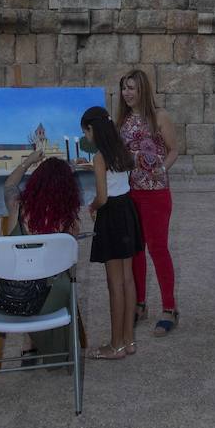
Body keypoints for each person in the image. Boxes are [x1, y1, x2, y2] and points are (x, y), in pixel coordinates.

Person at [1, 153, 84, 363]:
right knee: (54, 277)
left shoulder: (16, 207)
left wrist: (27, 161)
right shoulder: (70, 223)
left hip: (11, 297)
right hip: (51, 300)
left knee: (26, 273)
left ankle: (28, 344)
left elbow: (9, 184)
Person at [117, 69, 180, 336]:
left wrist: (161, 170)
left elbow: (175, 149)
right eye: (124, 88)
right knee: (136, 251)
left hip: (155, 193)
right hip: (130, 193)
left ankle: (169, 308)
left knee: (157, 249)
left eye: (131, 88)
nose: (127, 93)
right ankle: (139, 304)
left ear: (143, 89)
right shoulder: (123, 120)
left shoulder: (159, 116)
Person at [80, 105, 144, 361]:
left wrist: (92, 206)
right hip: (127, 211)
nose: (86, 136)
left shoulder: (99, 157)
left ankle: (115, 345)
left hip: (112, 216)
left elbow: (103, 197)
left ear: (92, 128)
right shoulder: (121, 151)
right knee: (128, 280)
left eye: (85, 132)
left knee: (114, 284)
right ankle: (128, 340)